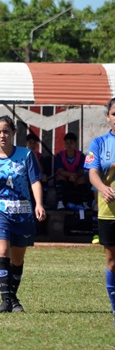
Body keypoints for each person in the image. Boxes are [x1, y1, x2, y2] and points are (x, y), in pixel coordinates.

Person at [0, 116, 46, 313]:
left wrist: (39, 204)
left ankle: (13, 298)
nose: (2, 135)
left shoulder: (26, 155)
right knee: (2, 251)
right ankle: (6, 300)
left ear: (13, 133)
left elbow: (35, 181)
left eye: (6, 131)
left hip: (22, 212)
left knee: (18, 259)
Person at [83, 97, 115, 326]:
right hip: (109, 211)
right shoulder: (99, 143)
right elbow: (92, 171)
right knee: (112, 261)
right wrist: (103, 188)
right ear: (108, 117)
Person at [53, 132, 90, 210]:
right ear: (65, 144)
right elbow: (60, 170)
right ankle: (60, 202)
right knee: (60, 178)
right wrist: (70, 175)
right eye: (67, 143)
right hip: (65, 177)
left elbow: (81, 170)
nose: (69, 145)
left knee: (82, 179)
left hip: (76, 177)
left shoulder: (81, 155)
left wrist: (74, 176)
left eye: (71, 143)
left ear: (75, 144)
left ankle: (85, 203)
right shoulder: (60, 155)